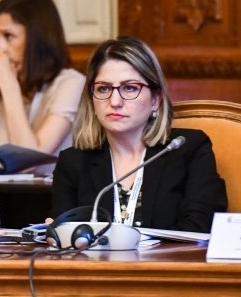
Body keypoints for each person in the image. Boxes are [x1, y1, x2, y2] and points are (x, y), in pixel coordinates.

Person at [51, 38, 226, 232]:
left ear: (155, 99)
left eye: (130, 88)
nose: (114, 101)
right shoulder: (73, 162)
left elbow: (199, 228)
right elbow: (64, 233)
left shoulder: (189, 150)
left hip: (170, 254)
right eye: (103, 88)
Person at [0, 0, 85, 171]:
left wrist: (9, 87)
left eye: (8, 36)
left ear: (38, 39)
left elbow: (28, 161)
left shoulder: (71, 84)